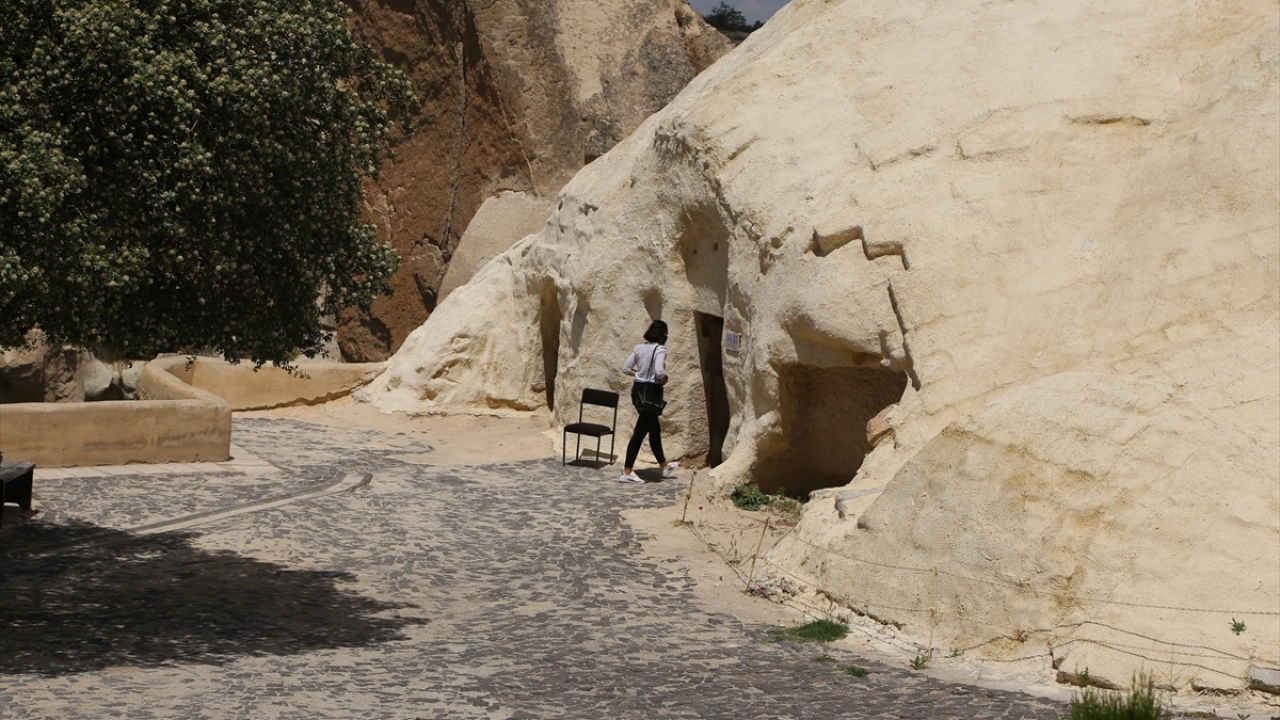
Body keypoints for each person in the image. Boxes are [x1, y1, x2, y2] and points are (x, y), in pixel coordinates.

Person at [618, 320, 680, 483]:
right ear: (661, 335)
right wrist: (664, 378)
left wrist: (639, 375)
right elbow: (659, 371)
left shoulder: (639, 348)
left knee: (654, 429)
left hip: (638, 391)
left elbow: (626, 368)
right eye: (665, 335)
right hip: (652, 392)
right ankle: (627, 471)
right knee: (639, 433)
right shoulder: (660, 349)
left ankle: (664, 465)